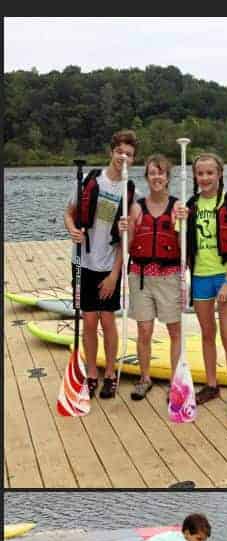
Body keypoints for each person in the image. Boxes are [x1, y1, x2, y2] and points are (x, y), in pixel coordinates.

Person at [64, 130, 136, 398]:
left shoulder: (131, 191)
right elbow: (69, 213)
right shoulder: (89, 180)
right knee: (89, 320)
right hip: (83, 262)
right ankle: (91, 372)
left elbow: (125, 242)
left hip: (108, 266)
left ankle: (110, 374)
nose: (123, 157)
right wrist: (72, 229)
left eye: (129, 154)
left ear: (133, 158)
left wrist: (114, 275)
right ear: (111, 152)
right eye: (120, 152)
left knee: (108, 321)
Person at [175, 153, 227, 420]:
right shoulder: (189, 205)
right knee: (207, 334)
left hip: (226, 276)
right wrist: (179, 219)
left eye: (210, 173)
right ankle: (212, 385)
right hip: (201, 278)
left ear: (219, 174)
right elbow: (182, 245)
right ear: (195, 177)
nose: (205, 178)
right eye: (200, 174)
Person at [123, 154, 182, 400]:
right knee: (144, 330)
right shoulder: (137, 207)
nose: (156, 177)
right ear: (146, 177)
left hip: (168, 276)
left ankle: (177, 380)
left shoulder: (178, 207)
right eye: (152, 173)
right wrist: (126, 230)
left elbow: (182, 245)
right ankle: (144, 378)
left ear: (167, 177)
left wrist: (183, 225)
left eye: (161, 172)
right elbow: (130, 246)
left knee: (174, 331)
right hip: (141, 276)